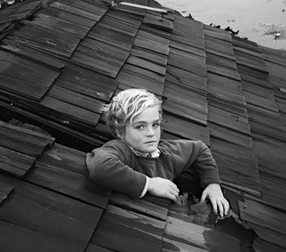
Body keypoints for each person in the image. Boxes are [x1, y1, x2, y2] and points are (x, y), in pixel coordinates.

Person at [86, 88, 230, 218]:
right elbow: (99, 166)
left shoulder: (167, 155)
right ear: (120, 131)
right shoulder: (122, 149)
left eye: (155, 125)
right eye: (140, 126)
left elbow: (200, 149)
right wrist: (149, 184)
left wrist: (213, 184)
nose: (151, 133)